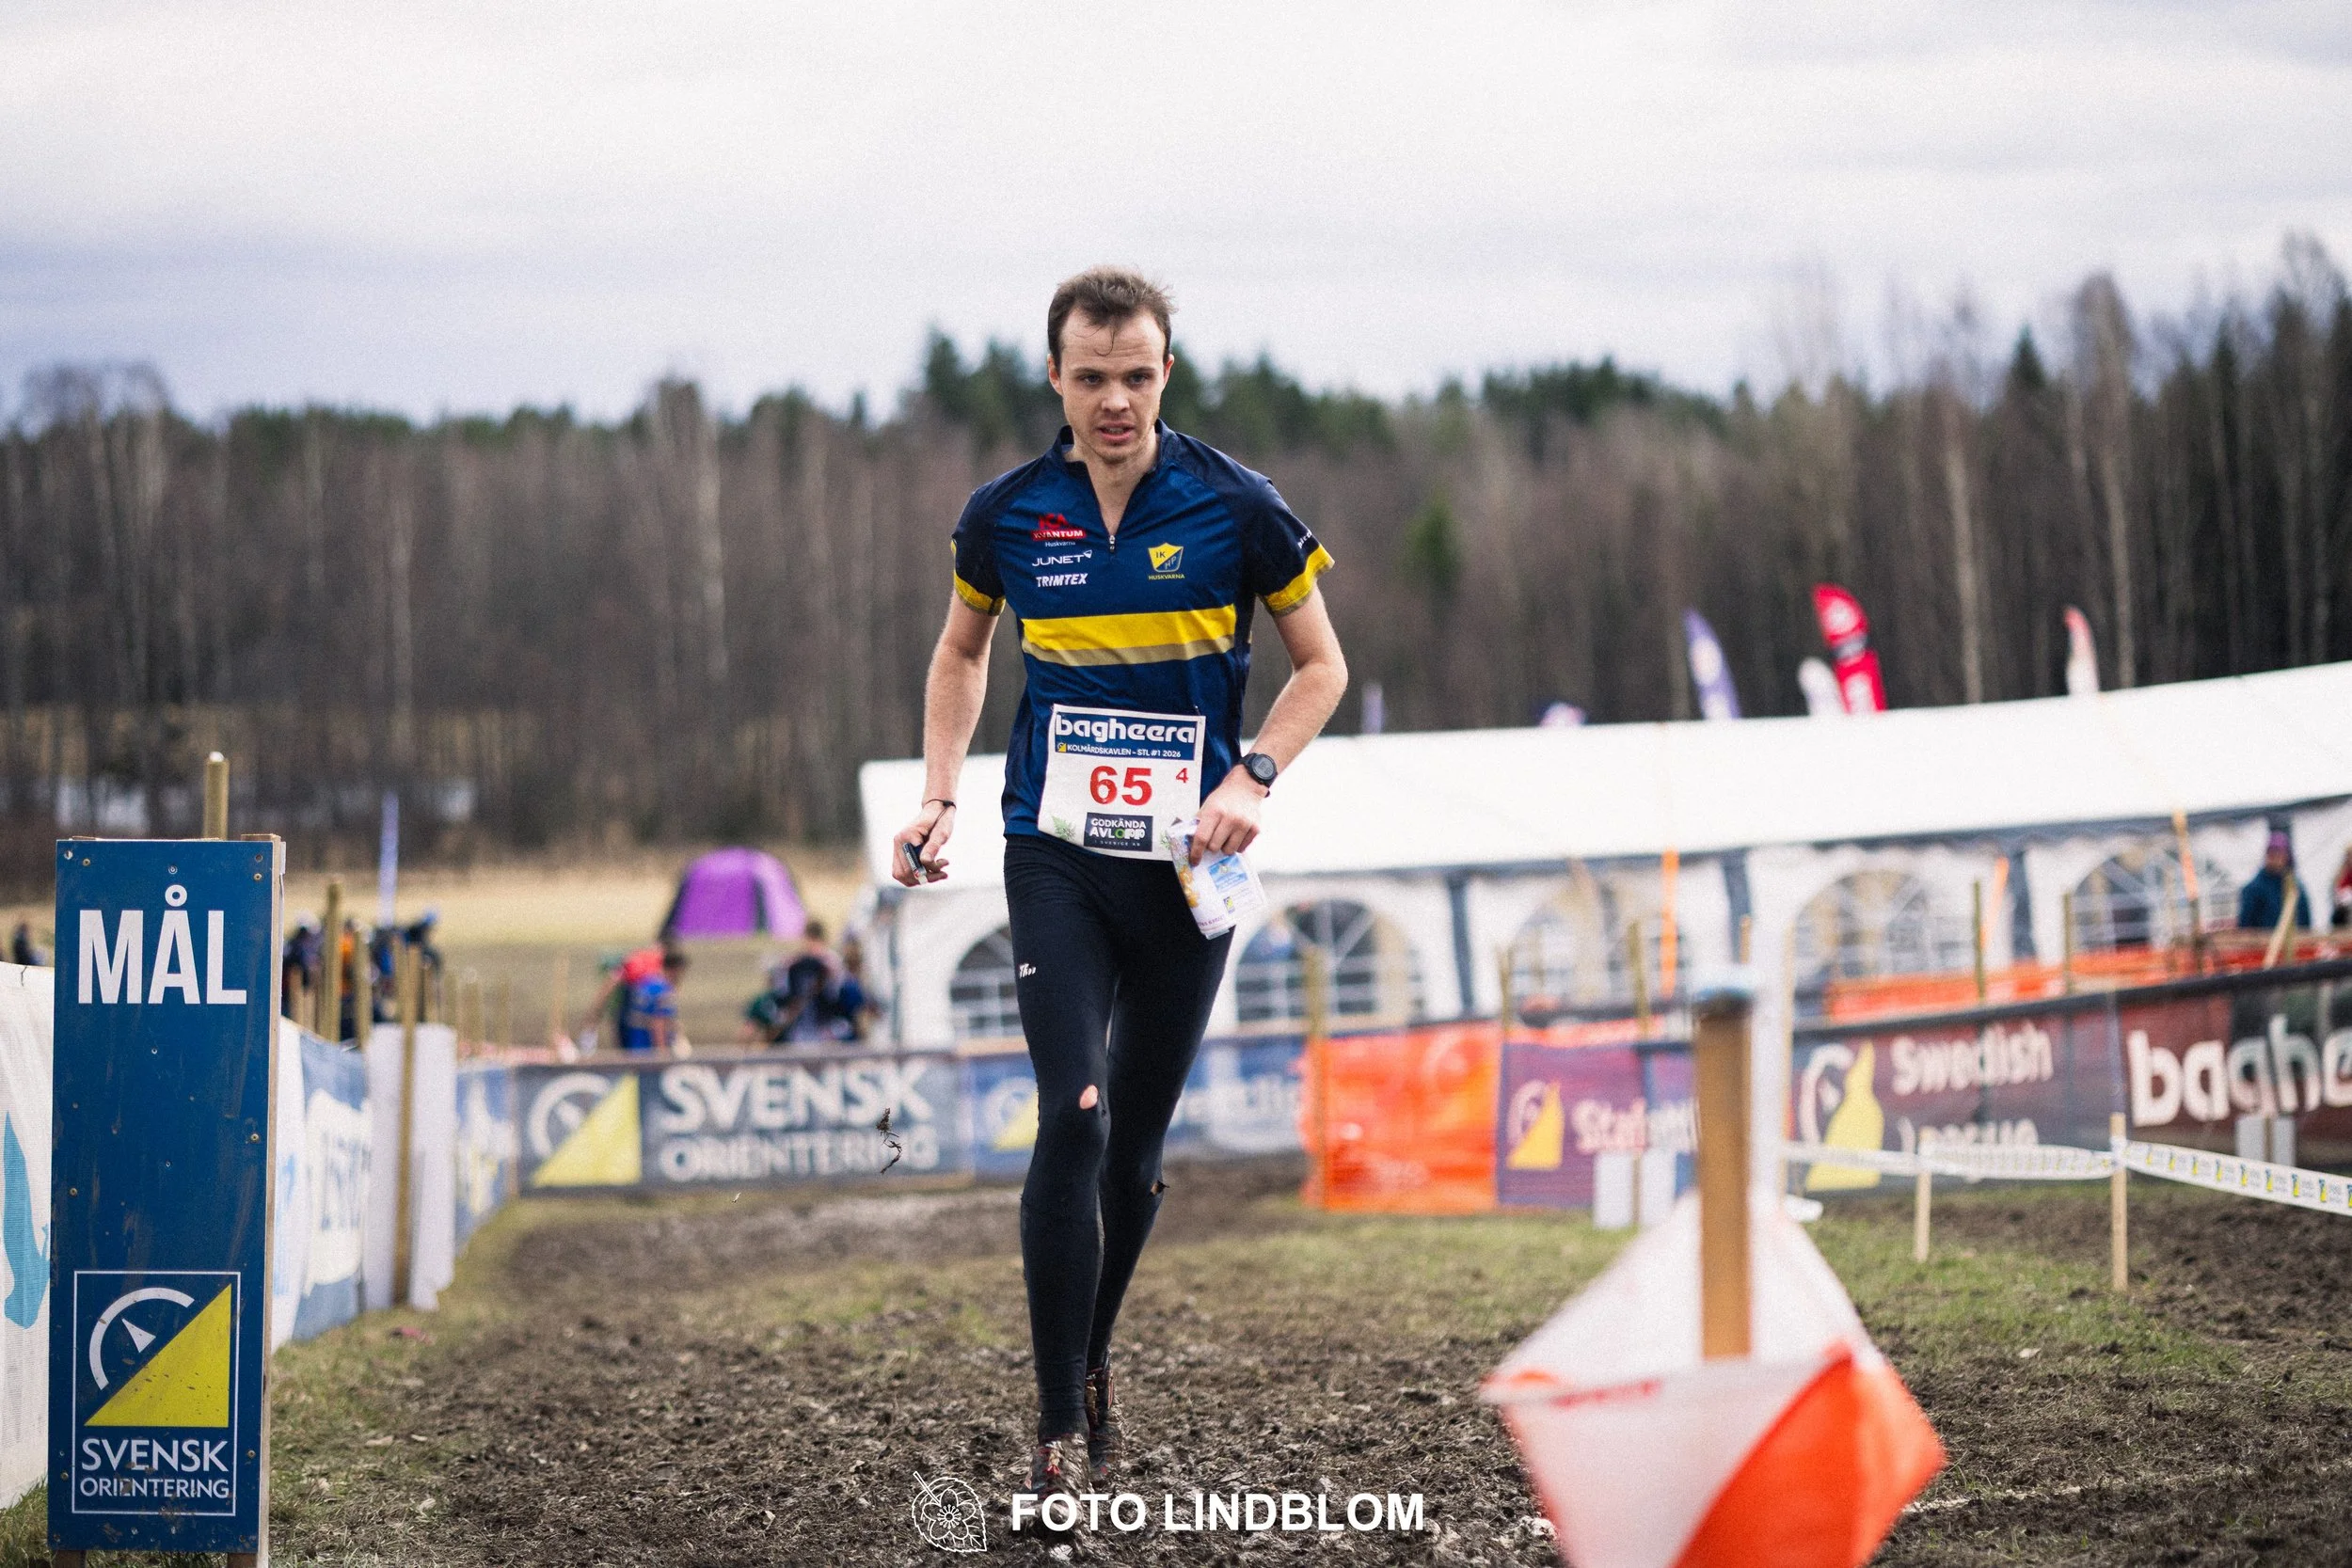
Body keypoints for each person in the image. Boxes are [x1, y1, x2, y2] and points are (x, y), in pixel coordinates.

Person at [892, 267, 1347, 1515]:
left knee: (1135, 1152)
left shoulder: (1235, 505)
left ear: (1165, 373)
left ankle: (1090, 1352)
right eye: (1090, 376)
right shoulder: (1006, 515)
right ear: (1055, 376)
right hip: (1056, 854)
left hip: (1189, 868)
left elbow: (1322, 664)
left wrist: (1255, 769)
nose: (1114, 400)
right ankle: (1052, 1434)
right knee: (1076, 1114)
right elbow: (960, 648)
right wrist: (938, 796)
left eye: (1136, 375)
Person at [620, 945, 691, 1055]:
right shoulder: (664, 991)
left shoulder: (647, 983)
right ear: (675, 969)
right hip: (649, 1050)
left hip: (634, 1046)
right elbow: (658, 1024)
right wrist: (662, 1054)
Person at [2237, 830, 2311, 932]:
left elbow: (2306, 923)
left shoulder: (2296, 888)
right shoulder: (2253, 889)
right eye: (2271, 853)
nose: (2275, 858)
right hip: (2264, 945)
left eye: (2279, 853)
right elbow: (2245, 926)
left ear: (2287, 856)